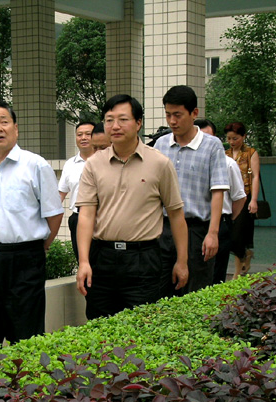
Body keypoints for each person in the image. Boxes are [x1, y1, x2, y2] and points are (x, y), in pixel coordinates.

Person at [75, 94, 188, 319]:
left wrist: (182, 262)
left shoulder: (159, 163)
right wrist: (84, 262)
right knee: (99, 325)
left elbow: (176, 215)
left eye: (123, 119)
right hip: (103, 257)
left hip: (143, 258)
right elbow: (86, 216)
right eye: (109, 120)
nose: (115, 126)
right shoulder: (94, 164)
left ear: (138, 123)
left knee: (141, 326)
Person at [0, 100, 64, 351]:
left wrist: (39, 247)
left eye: (4, 122)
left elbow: (54, 215)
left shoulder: (36, 165)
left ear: (16, 129)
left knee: (26, 337)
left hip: (25, 261)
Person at [154, 85, 229, 296]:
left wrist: (213, 233)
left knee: (195, 291)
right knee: (160, 292)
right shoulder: (161, 145)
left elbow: (218, 191)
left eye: (178, 115)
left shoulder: (212, 145)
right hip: (164, 229)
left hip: (197, 230)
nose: (172, 121)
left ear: (194, 113)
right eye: (168, 115)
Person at [195, 119, 246, 284]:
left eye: (209, 137)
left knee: (216, 275)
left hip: (221, 225)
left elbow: (239, 197)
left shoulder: (228, 164)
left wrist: (227, 220)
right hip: (193, 225)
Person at [225, 122, 260, 277]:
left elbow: (255, 177)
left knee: (238, 235)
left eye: (235, 138)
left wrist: (254, 200)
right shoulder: (225, 154)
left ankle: (237, 272)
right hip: (228, 197)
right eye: (229, 138)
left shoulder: (250, 153)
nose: (232, 142)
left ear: (244, 136)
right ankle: (246, 254)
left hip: (245, 198)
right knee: (229, 234)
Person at [59, 121, 95, 261]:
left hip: (101, 219)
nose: (83, 138)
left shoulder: (104, 161)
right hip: (77, 218)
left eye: (88, 134)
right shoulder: (70, 164)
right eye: (80, 135)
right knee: (82, 260)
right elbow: (61, 194)